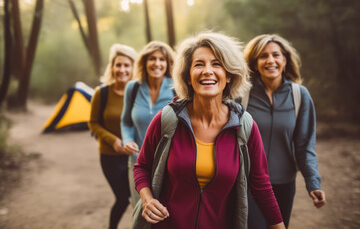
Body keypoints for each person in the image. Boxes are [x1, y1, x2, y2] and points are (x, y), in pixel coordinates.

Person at [132, 32, 285, 229]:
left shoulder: (245, 126)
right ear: (188, 77)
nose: (207, 71)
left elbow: (262, 187)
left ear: (228, 75)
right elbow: (141, 166)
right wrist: (147, 199)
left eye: (217, 64)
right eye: (199, 64)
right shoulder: (166, 119)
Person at [243, 34, 326, 228]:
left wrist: (313, 182)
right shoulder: (242, 95)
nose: (270, 60)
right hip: (249, 184)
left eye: (276, 55)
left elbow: (305, 146)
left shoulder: (300, 95)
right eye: (263, 56)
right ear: (255, 64)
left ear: (284, 60)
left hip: (284, 183)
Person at [121, 41, 176, 207]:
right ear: (144, 62)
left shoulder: (176, 89)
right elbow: (126, 121)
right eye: (152, 58)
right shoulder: (133, 88)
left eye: (162, 59)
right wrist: (127, 140)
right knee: (140, 211)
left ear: (168, 64)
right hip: (137, 162)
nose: (157, 63)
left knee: (165, 213)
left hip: (168, 165)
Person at [88, 43, 137, 229]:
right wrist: (113, 140)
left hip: (134, 157)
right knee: (123, 198)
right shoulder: (102, 93)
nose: (122, 69)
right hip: (110, 157)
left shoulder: (139, 94)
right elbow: (93, 123)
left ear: (133, 68)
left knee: (138, 199)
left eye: (126, 65)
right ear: (112, 67)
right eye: (118, 65)